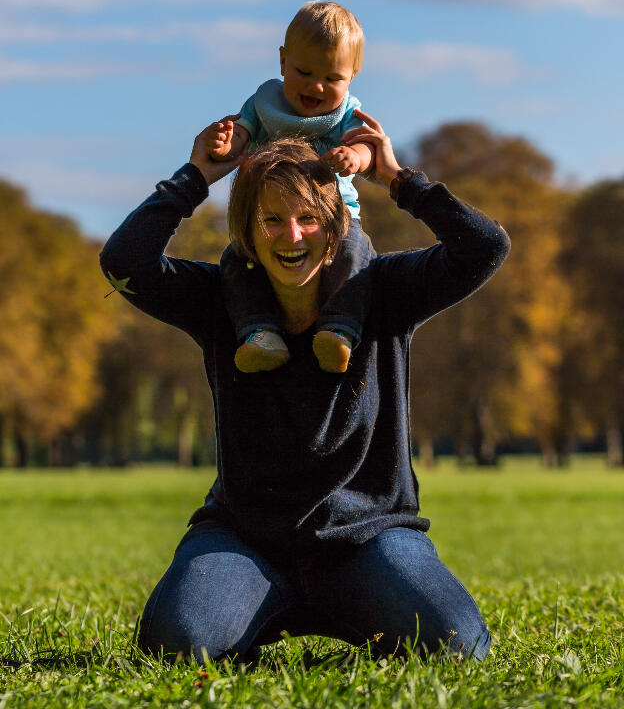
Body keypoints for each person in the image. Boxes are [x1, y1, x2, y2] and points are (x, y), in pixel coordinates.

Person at [99, 114, 510, 664]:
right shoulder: (218, 299)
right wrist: (196, 175)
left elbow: (484, 248)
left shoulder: (383, 288)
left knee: (459, 646)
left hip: (370, 541)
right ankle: (256, 611)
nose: (291, 236)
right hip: (247, 543)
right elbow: (124, 262)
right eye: (271, 219)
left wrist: (396, 178)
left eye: (308, 218)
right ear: (246, 229)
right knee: (177, 644)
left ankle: (347, 608)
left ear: (336, 223)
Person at [206, 1, 376, 376]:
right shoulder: (263, 104)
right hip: (266, 217)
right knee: (236, 260)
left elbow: (366, 145)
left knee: (356, 255)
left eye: (332, 79)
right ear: (283, 62)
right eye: (304, 71)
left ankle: (339, 330)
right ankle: (260, 333)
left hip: (337, 219)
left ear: (353, 75)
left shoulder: (347, 112)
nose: (317, 85)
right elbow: (242, 139)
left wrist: (355, 157)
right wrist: (224, 146)